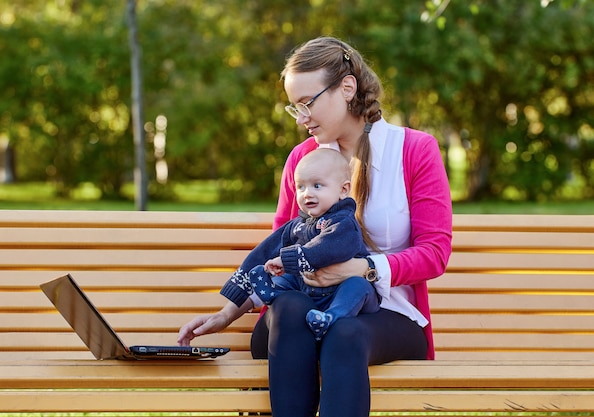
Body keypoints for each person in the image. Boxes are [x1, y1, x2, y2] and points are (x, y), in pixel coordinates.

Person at [178, 36, 452, 417]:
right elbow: (279, 246)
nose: (302, 117)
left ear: (347, 88)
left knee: (345, 334)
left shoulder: (414, 151)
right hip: (296, 316)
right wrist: (229, 312)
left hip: (381, 313)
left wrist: (364, 268)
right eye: (295, 108)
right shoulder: (303, 159)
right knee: (289, 306)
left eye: (307, 103)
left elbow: (435, 253)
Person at [219, 148, 380, 340]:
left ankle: (332, 316)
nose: (307, 194)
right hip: (309, 292)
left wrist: (290, 259)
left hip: (342, 291)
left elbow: (327, 248)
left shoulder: (344, 223)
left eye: (317, 186)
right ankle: (274, 293)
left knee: (357, 286)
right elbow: (267, 249)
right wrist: (240, 286)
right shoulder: (297, 226)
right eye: (300, 187)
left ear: (343, 189)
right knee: (287, 277)